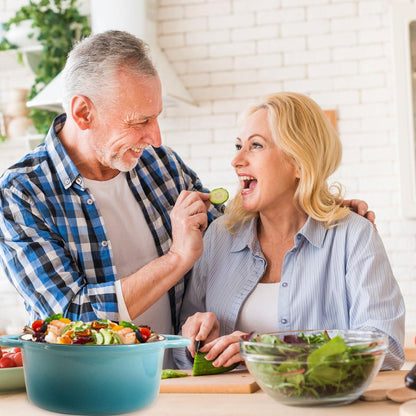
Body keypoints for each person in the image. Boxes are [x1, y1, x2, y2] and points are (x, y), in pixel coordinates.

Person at [0, 31, 371, 342]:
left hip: (178, 377)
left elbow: (235, 235)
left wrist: (323, 213)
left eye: (157, 117)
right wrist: (177, 259)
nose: (155, 137)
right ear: (83, 112)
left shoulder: (161, 166)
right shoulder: (22, 193)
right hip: (88, 392)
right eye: (140, 121)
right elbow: (70, 317)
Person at [175, 92, 405, 371]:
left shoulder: (353, 235)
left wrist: (271, 350)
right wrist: (195, 343)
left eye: (256, 145)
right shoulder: (219, 237)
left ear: (298, 162)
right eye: (238, 145)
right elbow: (180, 354)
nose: (236, 160)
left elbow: (385, 345)